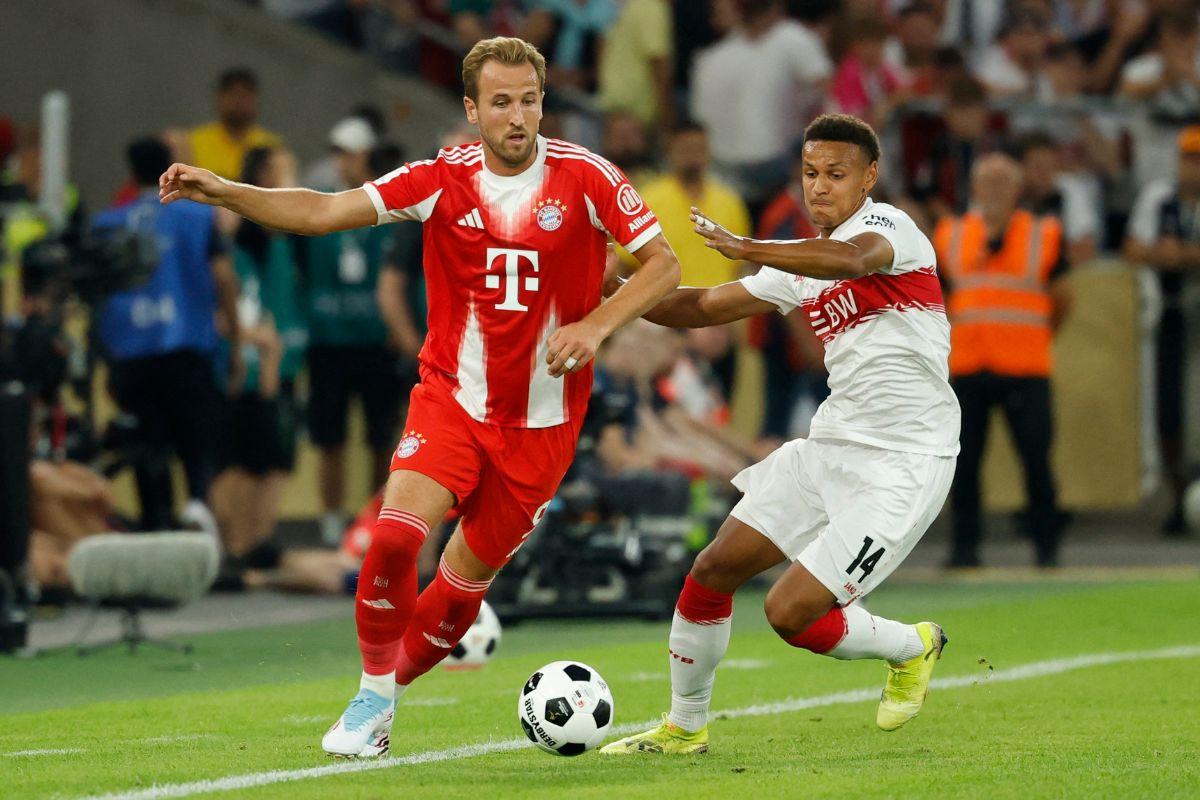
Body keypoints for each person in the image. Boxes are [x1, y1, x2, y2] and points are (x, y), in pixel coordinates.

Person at [158, 36, 680, 758]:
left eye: (529, 100)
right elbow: (321, 210)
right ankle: (370, 699)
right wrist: (226, 190)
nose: (518, 116)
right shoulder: (440, 178)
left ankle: (387, 694)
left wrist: (595, 325)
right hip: (453, 401)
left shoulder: (588, 178)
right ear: (471, 109)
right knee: (398, 535)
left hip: (544, 424)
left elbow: (663, 264)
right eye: (501, 103)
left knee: (462, 583)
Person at [601, 114, 959, 756]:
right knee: (711, 571)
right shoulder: (798, 266)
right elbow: (699, 308)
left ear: (869, 177)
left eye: (836, 174)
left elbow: (851, 261)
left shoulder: (887, 228)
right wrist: (613, 287)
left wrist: (748, 246)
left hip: (906, 460)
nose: (820, 188)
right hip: (831, 446)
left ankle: (913, 645)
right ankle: (684, 727)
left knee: (791, 614)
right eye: (811, 174)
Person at [95, 138, 241, 535]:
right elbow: (224, 277)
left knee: (146, 445)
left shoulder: (108, 224)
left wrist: (105, 358)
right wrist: (236, 343)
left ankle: (155, 526)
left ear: (131, 173)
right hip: (186, 349)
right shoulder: (198, 218)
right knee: (195, 443)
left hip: (130, 353)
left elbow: (98, 295)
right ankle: (197, 516)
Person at [935, 153, 1071, 568]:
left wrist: (1034, 337)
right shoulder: (950, 234)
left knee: (1036, 459)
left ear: (1018, 189)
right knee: (964, 465)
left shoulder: (1043, 233)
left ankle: (1047, 550)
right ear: (974, 188)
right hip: (969, 365)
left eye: (1002, 182)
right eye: (986, 182)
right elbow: (939, 298)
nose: (993, 190)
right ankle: (964, 550)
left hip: (1025, 368)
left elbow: (1064, 297)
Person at [1123, 125, 1200, 537]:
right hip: (1170, 315)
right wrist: (1160, 254)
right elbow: (1132, 249)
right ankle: (1177, 495)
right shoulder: (1160, 197)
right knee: (1169, 409)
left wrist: (1185, 254)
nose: (1194, 167)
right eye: (1190, 157)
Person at [188, 69, 283, 180]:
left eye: (244, 95)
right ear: (219, 98)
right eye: (232, 94)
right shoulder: (193, 141)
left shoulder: (269, 147)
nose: (238, 101)